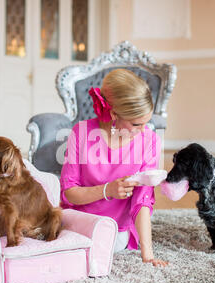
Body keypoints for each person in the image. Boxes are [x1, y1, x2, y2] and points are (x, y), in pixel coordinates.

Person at [60, 69, 168, 267]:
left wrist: (148, 255)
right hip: (80, 220)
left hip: (116, 229)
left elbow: (142, 201)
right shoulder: (82, 132)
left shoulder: (149, 141)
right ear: (113, 113)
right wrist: (107, 190)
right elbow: (69, 194)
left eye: (146, 122)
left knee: (112, 242)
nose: (143, 130)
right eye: (136, 124)